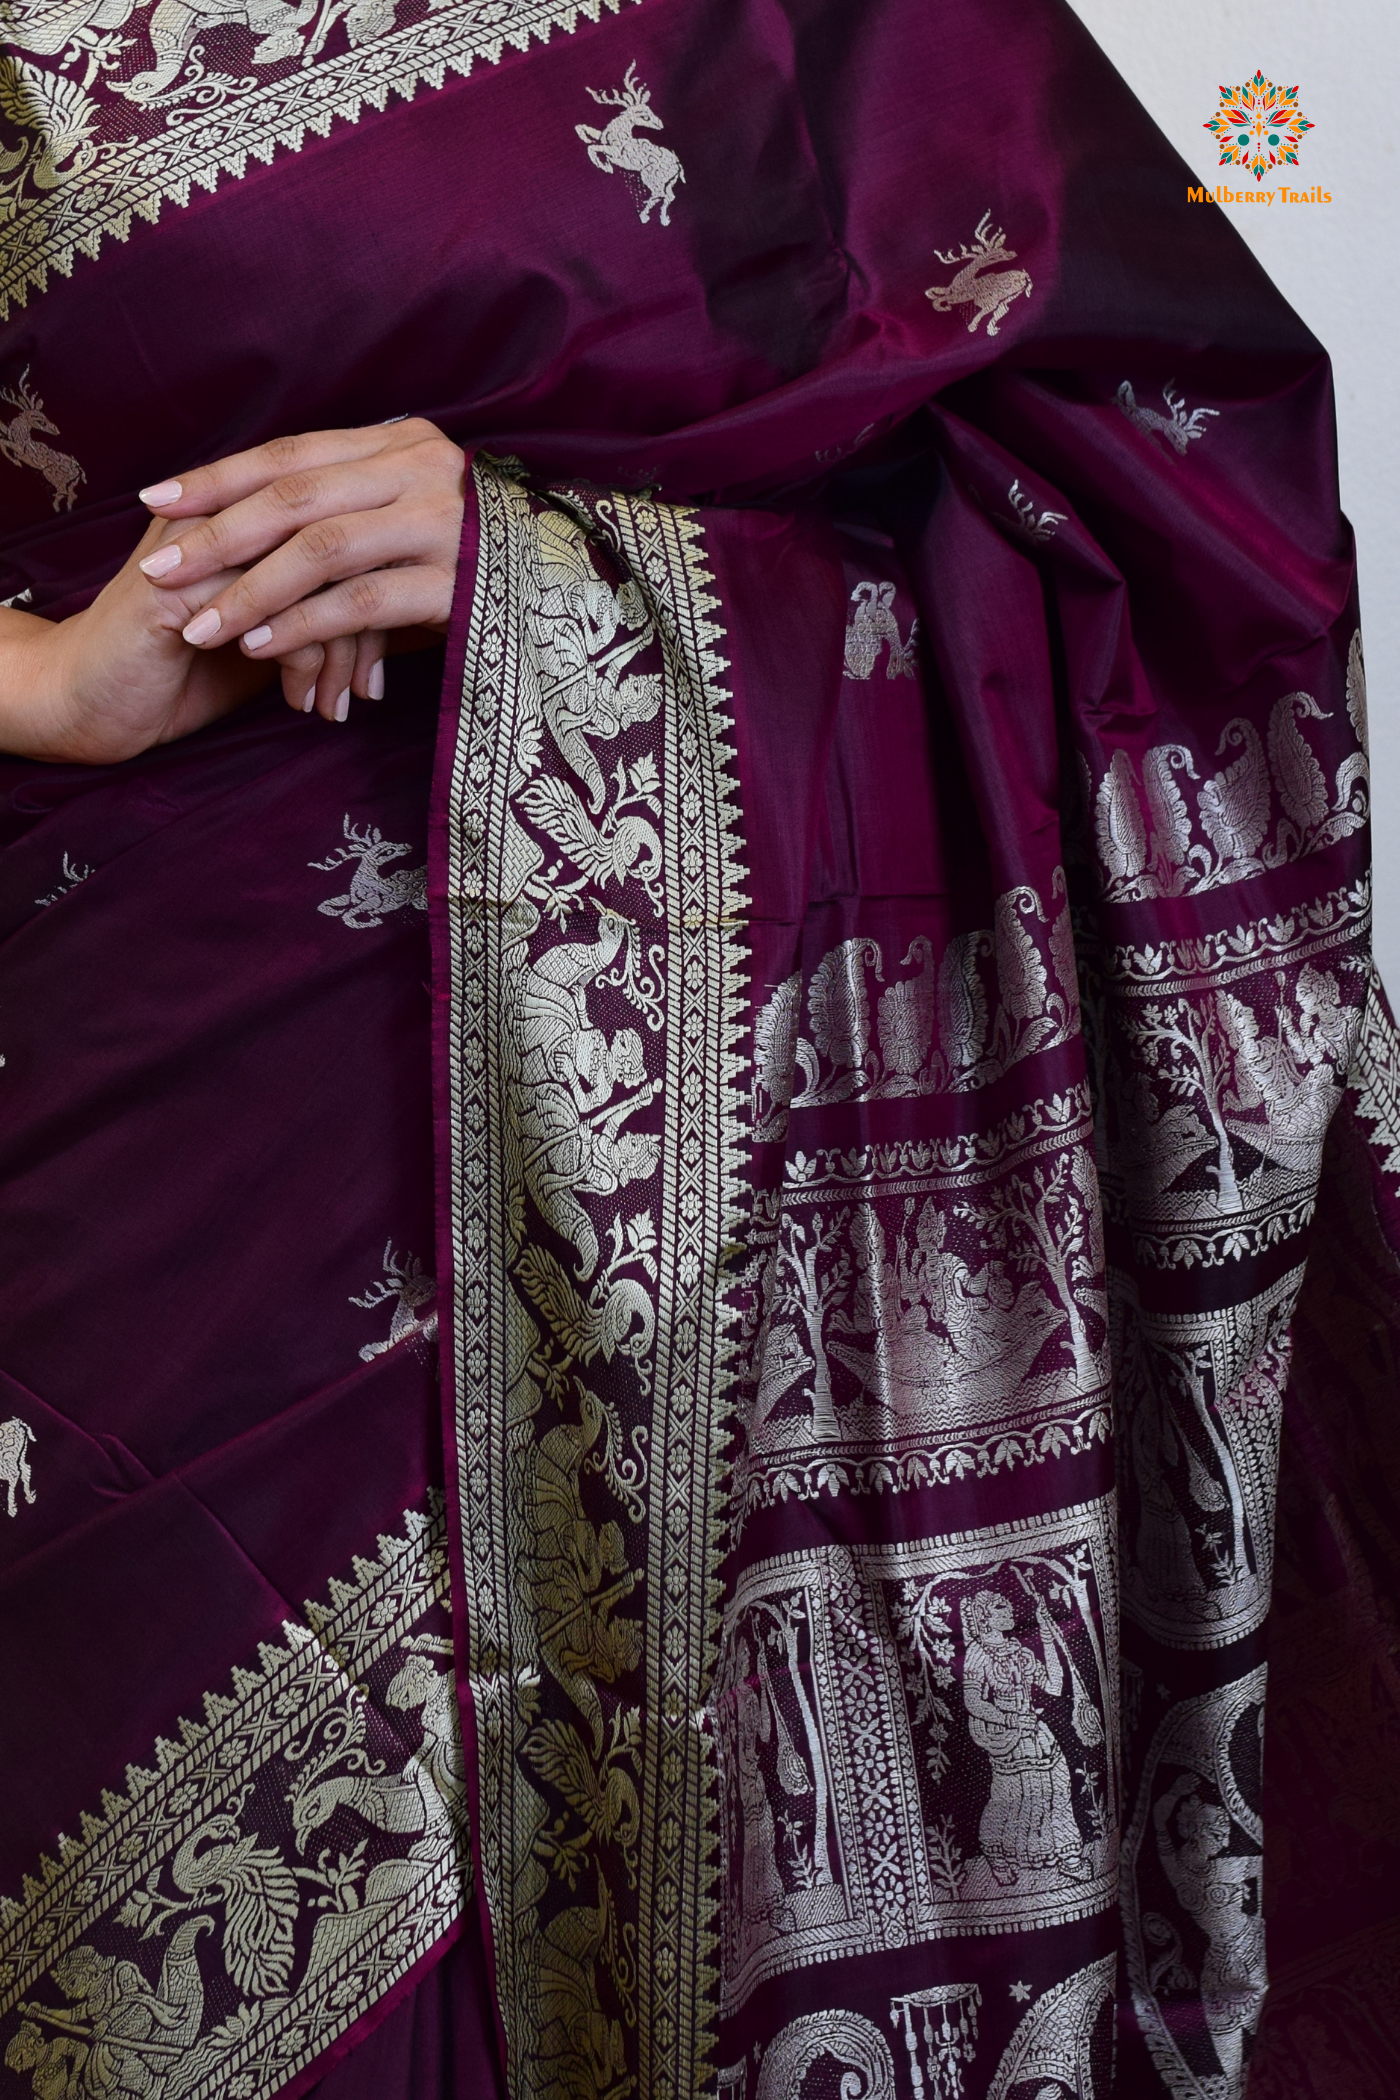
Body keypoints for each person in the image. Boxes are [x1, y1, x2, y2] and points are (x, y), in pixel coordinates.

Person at [0, 1, 1397, 2096]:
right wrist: (48, 682)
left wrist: (552, 572)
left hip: (736, 1259)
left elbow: (1168, 493)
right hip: (142, 1194)